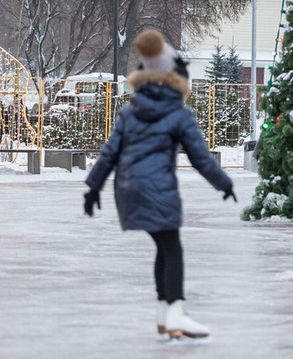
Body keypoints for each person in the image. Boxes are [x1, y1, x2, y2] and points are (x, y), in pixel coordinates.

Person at [83, 30, 236, 340]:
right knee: (172, 248)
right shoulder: (179, 114)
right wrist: (224, 183)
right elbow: (200, 159)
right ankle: (177, 310)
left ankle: (165, 314)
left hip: (128, 191)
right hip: (159, 191)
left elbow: (110, 152)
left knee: (163, 246)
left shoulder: (129, 111)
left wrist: (93, 188)